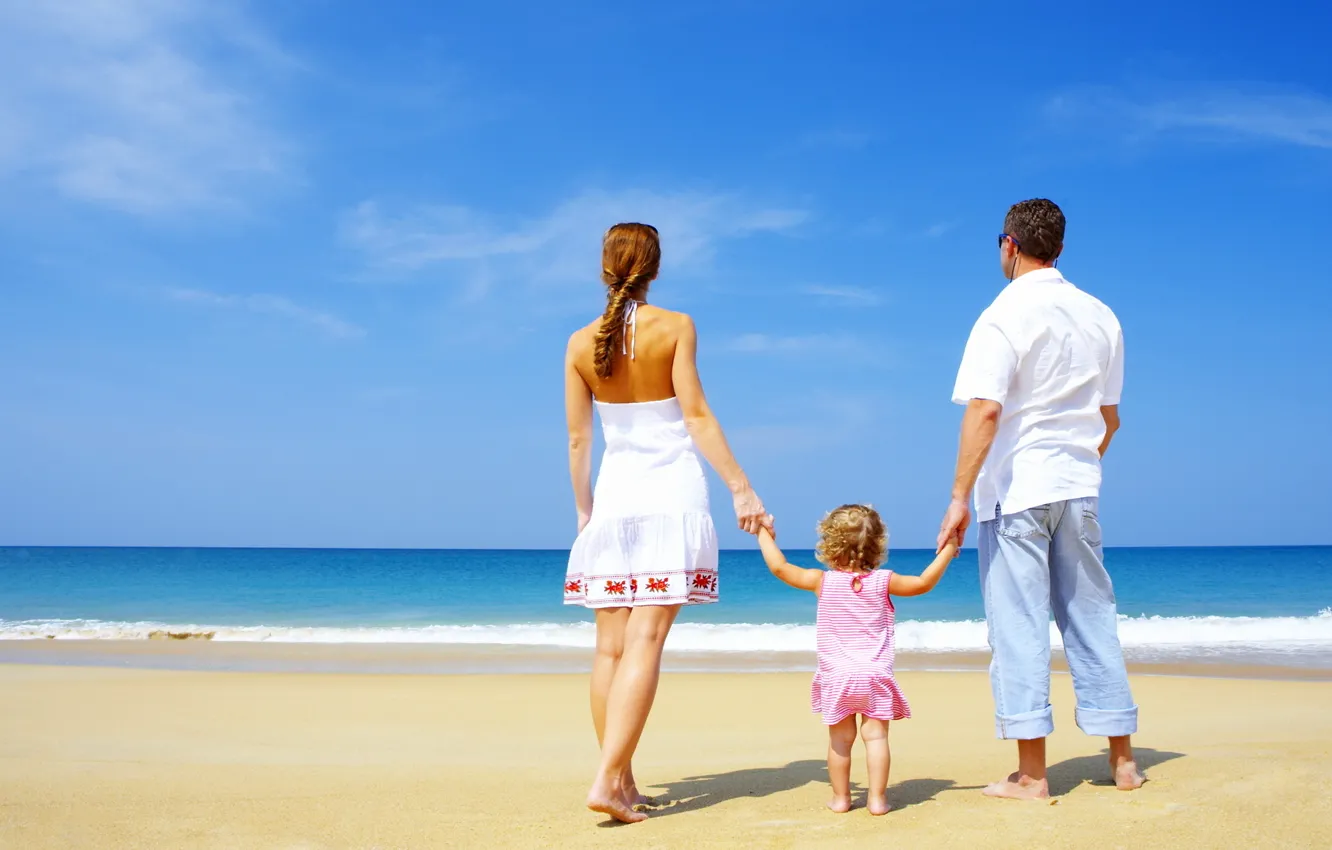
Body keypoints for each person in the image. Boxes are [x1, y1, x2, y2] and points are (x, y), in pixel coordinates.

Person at [937, 198, 1144, 800]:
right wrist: (1076, 469)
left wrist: (957, 496)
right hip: (1078, 488)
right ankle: (1123, 762)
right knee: (1092, 619)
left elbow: (985, 409)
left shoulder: (1002, 314)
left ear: (1009, 245)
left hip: (1016, 492)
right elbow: (1111, 420)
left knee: (1020, 628)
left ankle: (1032, 775)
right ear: (1058, 246)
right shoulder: (1101, 315)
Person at [564, 222, 769, 823]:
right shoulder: (675, 326)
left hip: (614, 499)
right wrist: (742, 487)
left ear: (604, 267)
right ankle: (608, 780)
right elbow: (697, 416)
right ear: (654, 267)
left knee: (609, 649)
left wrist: (584, 511)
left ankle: (621, 783)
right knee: (646, 641)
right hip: (670, 495)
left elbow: (579, 440)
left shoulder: (578, 344)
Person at [756, 505, 958, 815]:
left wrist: (762, 532)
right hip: (874, 675)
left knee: (841, 740)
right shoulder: (883, 581)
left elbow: (780, 567)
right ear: (877, 544)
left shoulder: (821, 581)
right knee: (875, 737)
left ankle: (841, 799)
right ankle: (877, 800)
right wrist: (948, 550)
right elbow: (922, 583)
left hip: (837, 676)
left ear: (829, 545)